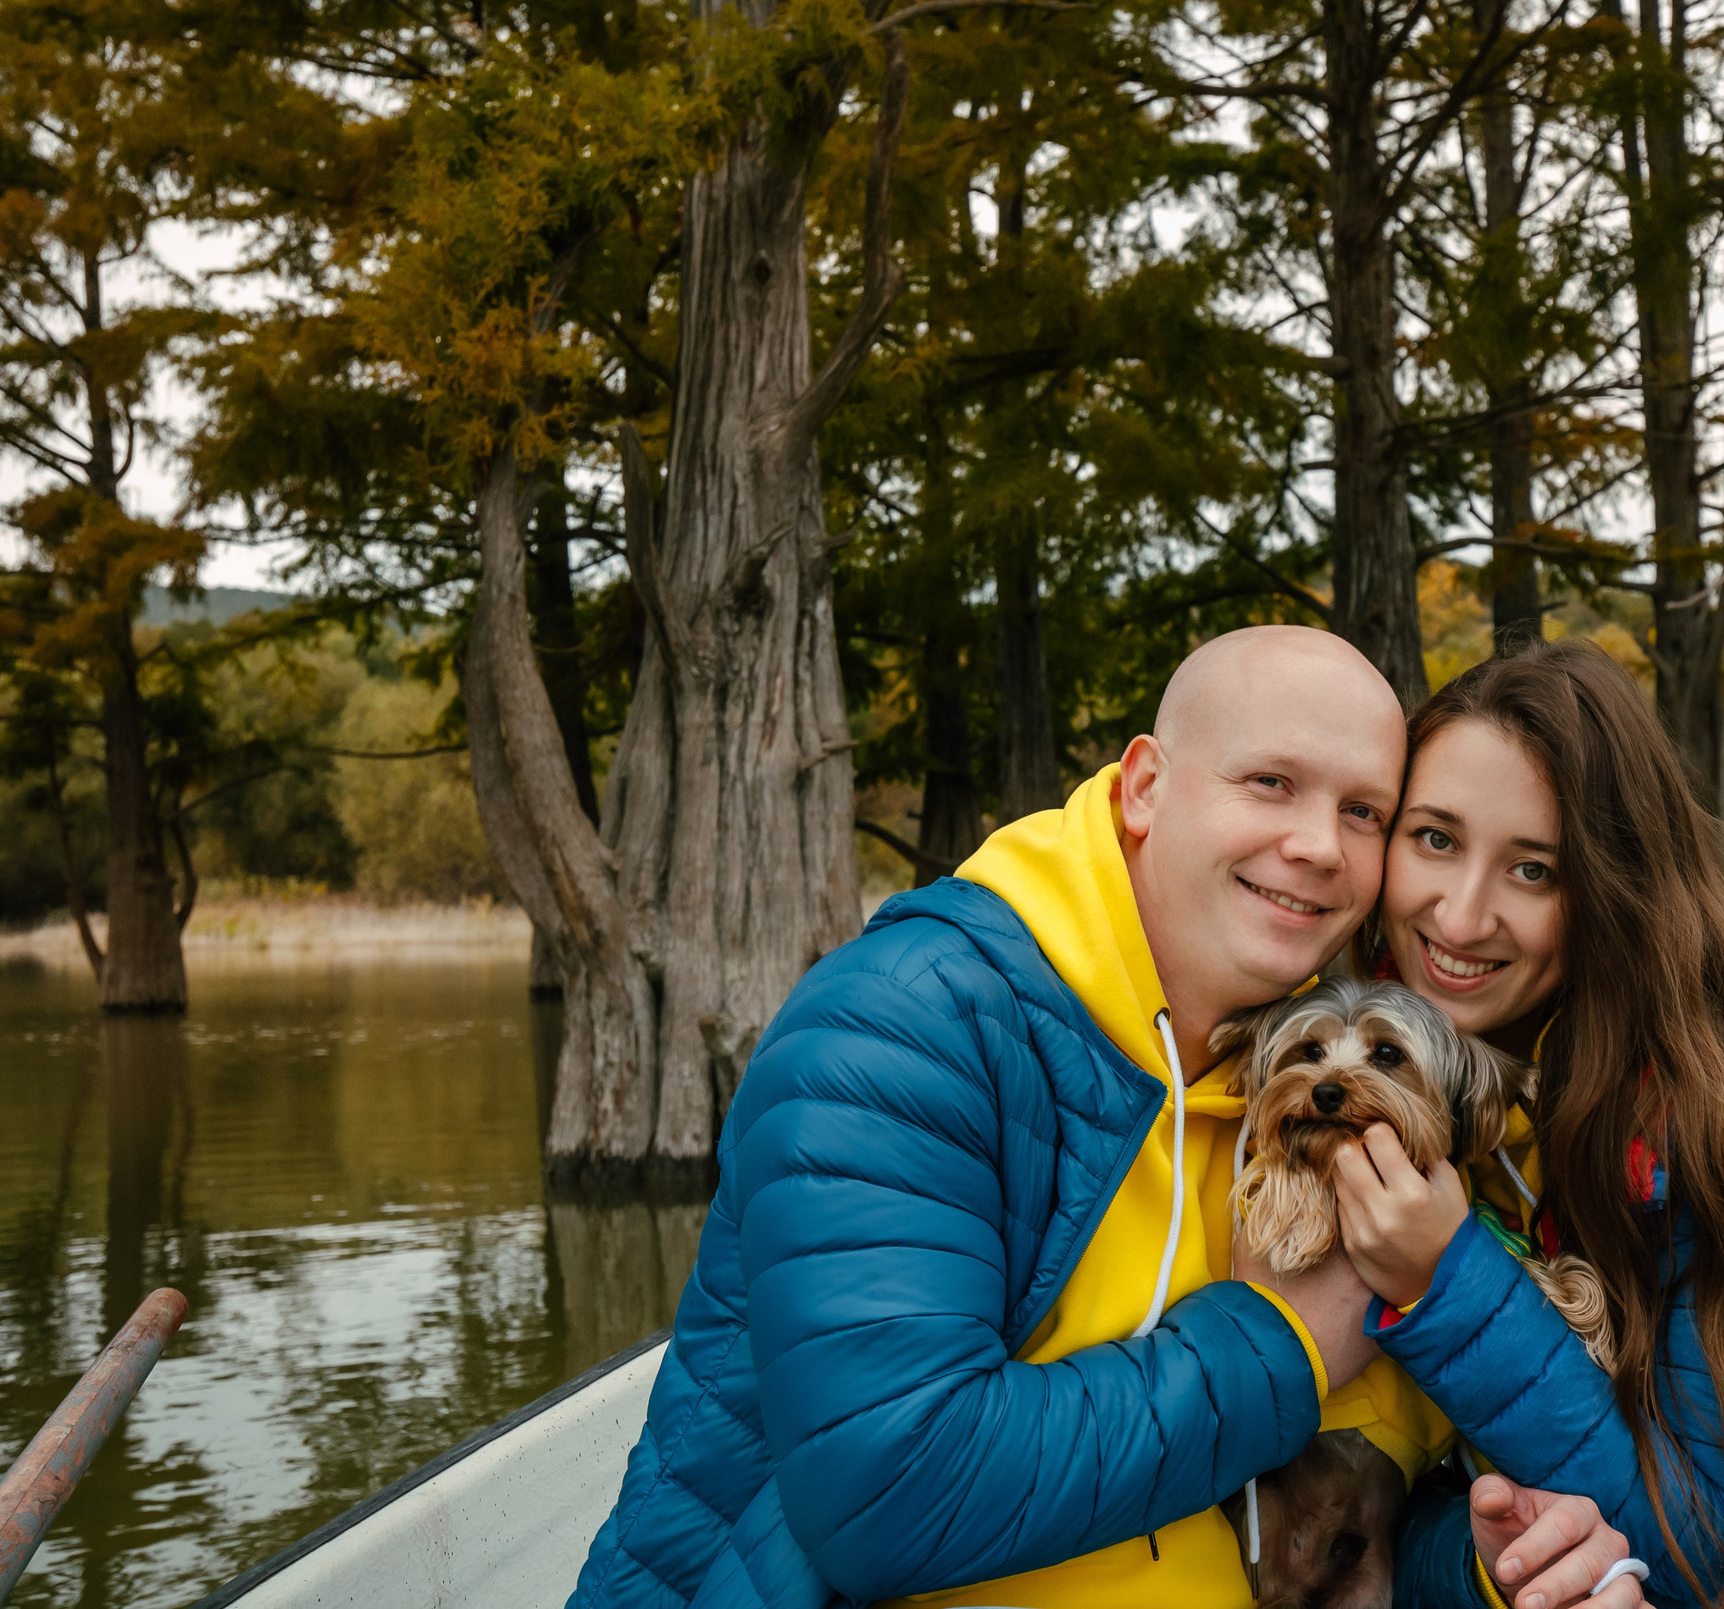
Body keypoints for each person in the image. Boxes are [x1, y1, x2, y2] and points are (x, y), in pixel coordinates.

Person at [569, 626, 1645, 1609]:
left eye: (1361, 811)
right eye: (1271, 782)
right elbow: (888, 1495)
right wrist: (1285, 1335)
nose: (1319, 843)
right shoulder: (906, 1023)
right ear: (1142, 786)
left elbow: (1368, 1479)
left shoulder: (1294, 1065)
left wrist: (1498, 1567)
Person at [1328, 641, 1724, 1608]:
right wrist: (1483, 1559)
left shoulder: (1720, 1106)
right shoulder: (1370, 1060)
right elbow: (1446, 1526)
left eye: (1533, 870)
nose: (1462, 917)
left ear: (1609, 888)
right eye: (1434, 838)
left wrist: (1448, 1282)